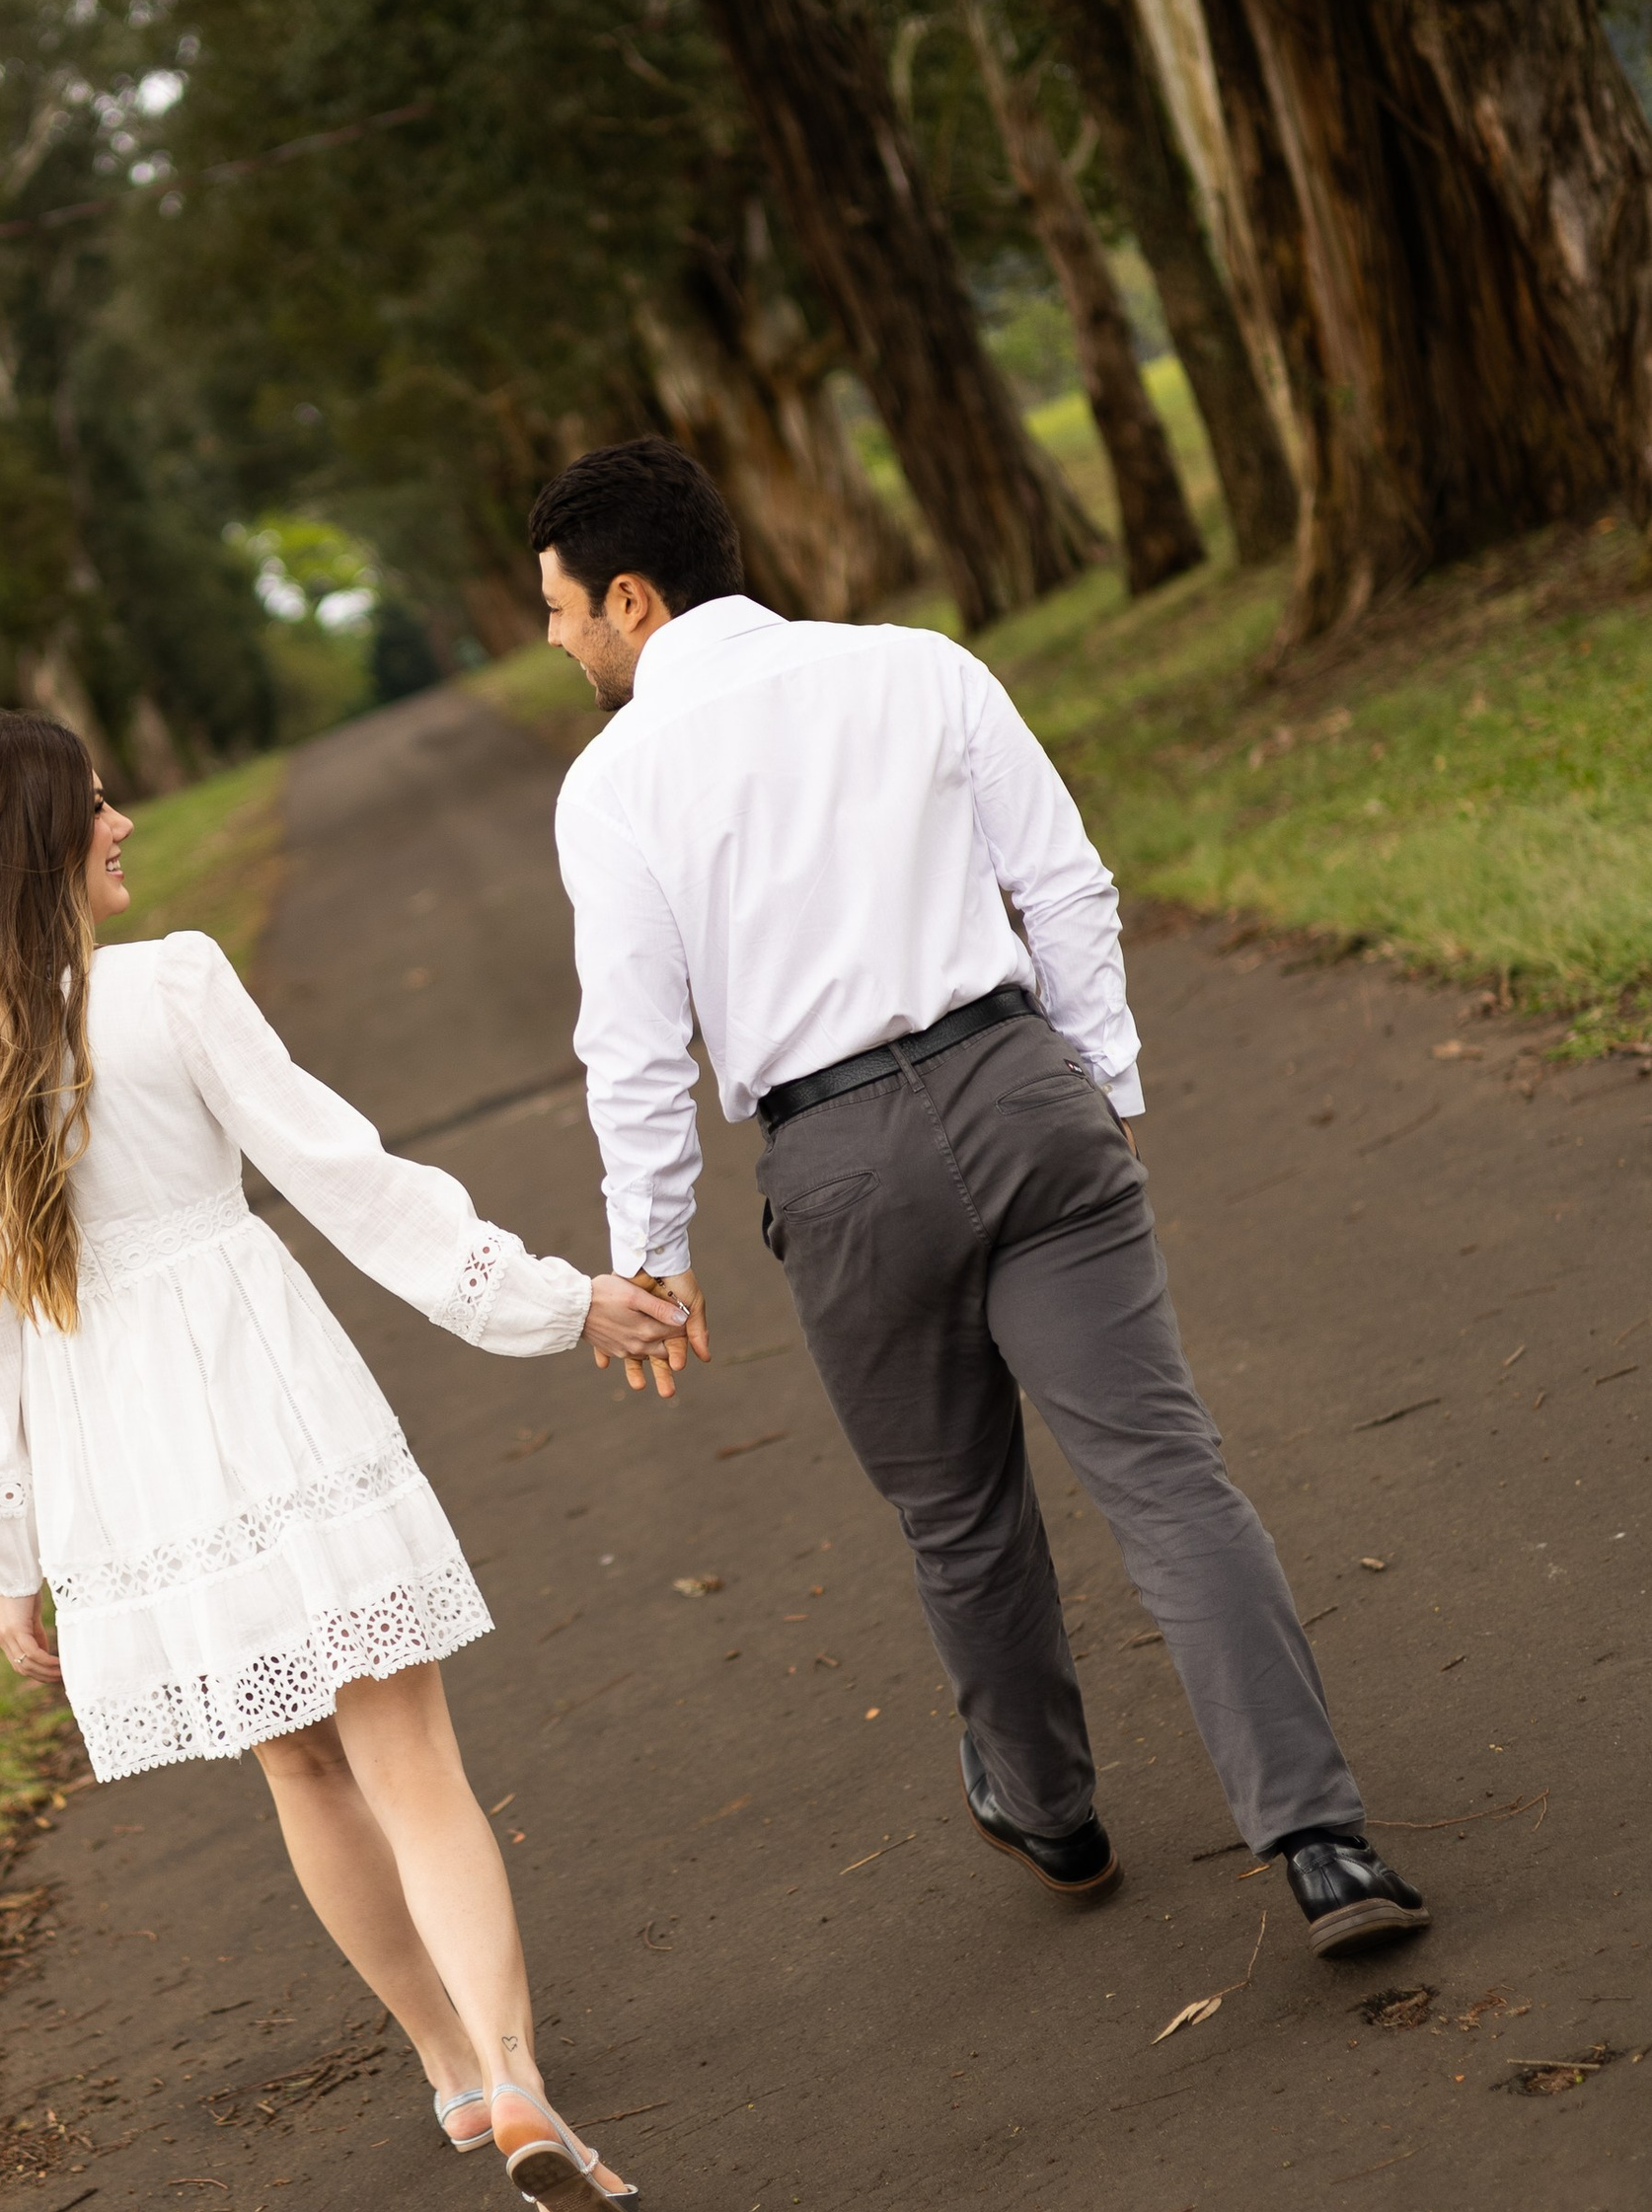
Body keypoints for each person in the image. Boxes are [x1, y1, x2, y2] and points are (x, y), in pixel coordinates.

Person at [531, 436, 1430, 1960]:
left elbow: (634, 1048)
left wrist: (655, 1256)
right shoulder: (916, 666)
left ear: (632, 595)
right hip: (1022, 1088)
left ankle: (1053, 1816)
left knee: (961, 1521)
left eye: (559, 610)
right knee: (1168, 1477)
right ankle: (1325, 1845)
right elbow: (1065, 883)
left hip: (839, 1162)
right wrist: (1109, 1088)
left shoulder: (612, 784)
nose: (553, 640)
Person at [0, 710, 683, 2212]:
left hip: (116, 1452)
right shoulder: (168, 986)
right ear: (38, 840)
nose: (124, 822)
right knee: (410, 1760)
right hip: (261, 1389)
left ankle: (448, 2070)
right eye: (96, 805)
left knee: (298, 1767)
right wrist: (557, 1298)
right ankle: (518, 2086)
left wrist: (8, 1555)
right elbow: (349, 1180)